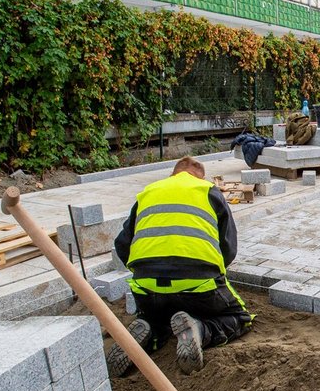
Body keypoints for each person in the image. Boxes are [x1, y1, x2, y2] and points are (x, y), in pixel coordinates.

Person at [109, 156, 254, 376]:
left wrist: (148, 271)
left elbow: (122, 245)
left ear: (172, 174)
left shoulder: (148, 193)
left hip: (147, 286)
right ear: (201, 177)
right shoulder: (208, 191)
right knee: (240, 317)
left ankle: (149, 331)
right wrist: (210, 272)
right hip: (198, 283)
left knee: (159, 317)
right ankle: (201, 330)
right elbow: (229, 249)